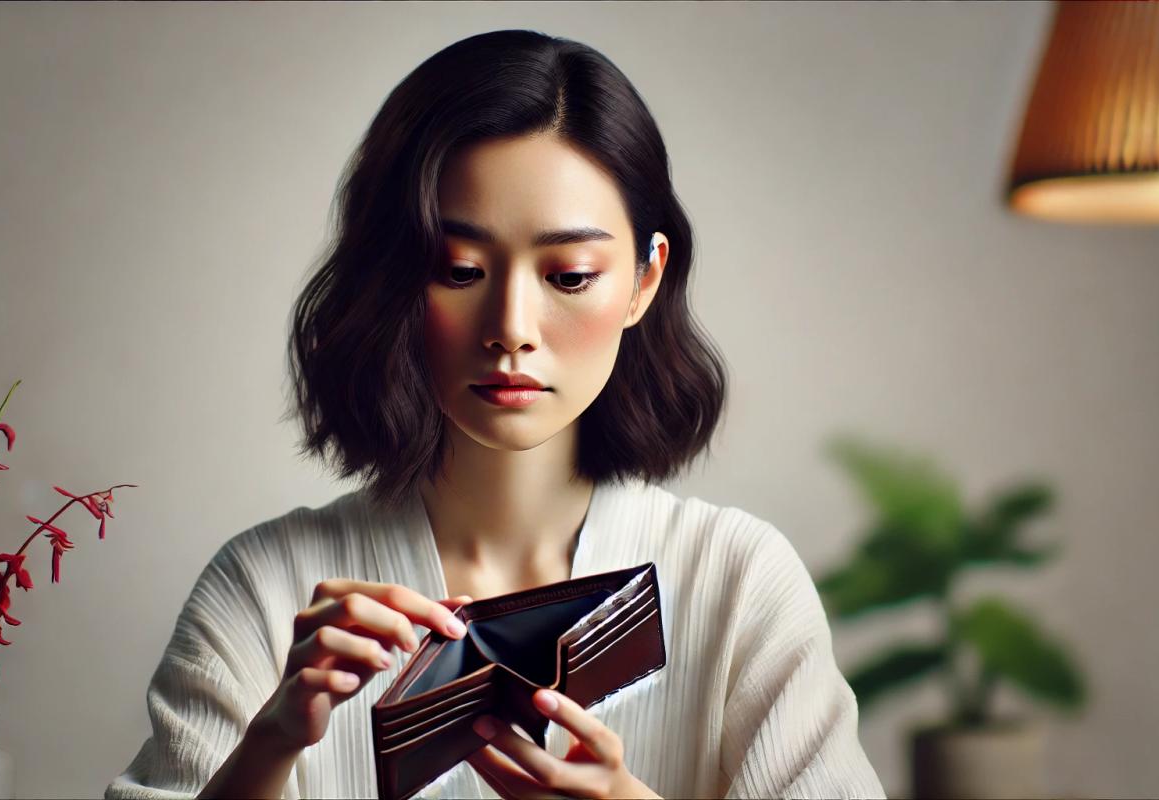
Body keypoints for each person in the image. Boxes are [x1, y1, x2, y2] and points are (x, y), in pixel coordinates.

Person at [105, 29, 885, 800]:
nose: (511, 325)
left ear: (646, 279)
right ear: (395, 278)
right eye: (459, 270)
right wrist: (270, 745)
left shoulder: (737, 581)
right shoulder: (265, 590)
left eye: (570, 276)